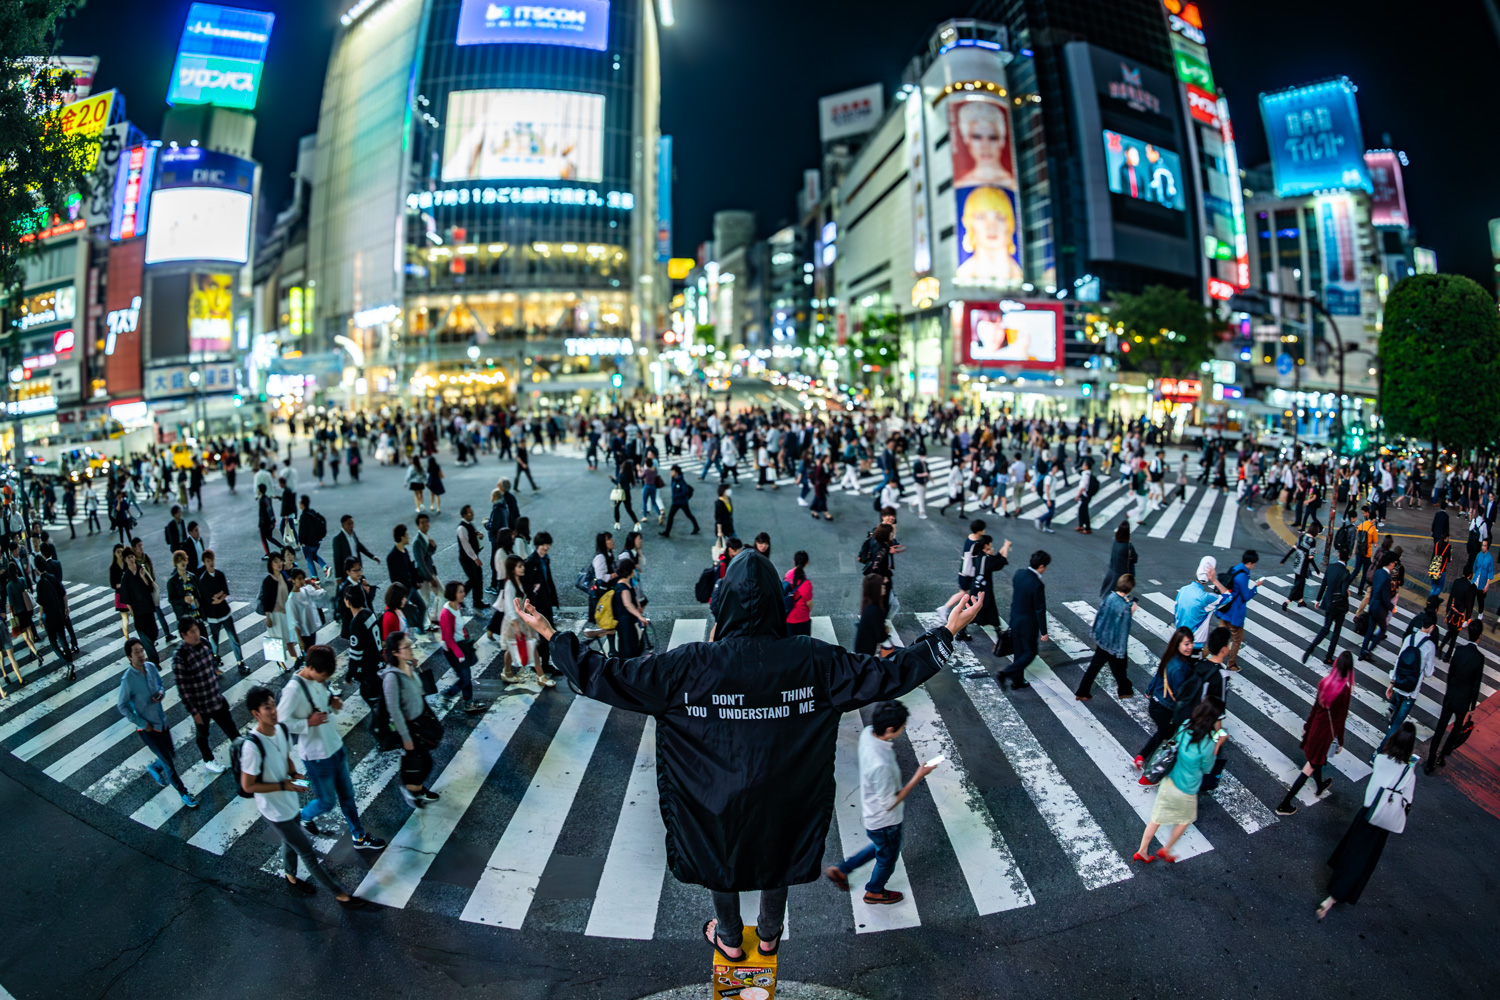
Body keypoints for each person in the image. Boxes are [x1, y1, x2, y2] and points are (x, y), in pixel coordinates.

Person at [513, 555, 980, 962]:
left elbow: (605, 676)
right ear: (778, 604)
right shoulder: (813, 660)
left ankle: (731, 940)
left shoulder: (687, 665)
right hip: (786, 797)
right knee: (778, 856)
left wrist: (552, 634)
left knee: (724, 859)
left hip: (714, 800)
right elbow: (889, 674)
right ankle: (771, 936)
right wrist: (946, 633)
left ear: (723, 605)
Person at [239, 685, 366, 908]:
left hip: (289, 802)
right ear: (255, 713)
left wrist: (297, 779)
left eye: (274, 705)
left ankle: (289, 874)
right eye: (268, 708)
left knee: (291, 840)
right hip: (274, 811)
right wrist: (284, 784)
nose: (275, 711)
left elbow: (286, 757)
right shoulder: (252, 746)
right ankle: (341, 895)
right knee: (306, 851)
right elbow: (248, 786)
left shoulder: (279, 731)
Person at [823, 699, 937, 905]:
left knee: (879, 846)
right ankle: (874, 891)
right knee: (886, 860)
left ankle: (842, 870)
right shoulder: (881, 763)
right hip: (885, 821)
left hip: (872, 814)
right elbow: (889, 803)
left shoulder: (868, 734)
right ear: (891, 729)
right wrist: (918, 775)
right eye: (902, 727)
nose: (903, 730)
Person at [278, 645, 386, 850]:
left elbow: (324, 701)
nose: (324, 680)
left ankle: (359, 836)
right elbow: (281, 723)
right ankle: (304, 816)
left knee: (348, 796)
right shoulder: (293, 690)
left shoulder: (318, 679)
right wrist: (307, 722)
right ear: (310, 667)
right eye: (323, 675)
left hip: (335, 747)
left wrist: (332, 703)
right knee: (327, 802)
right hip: (317, 757)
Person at [1318, 721, 1418, 921]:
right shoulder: (1409, 774)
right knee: (1362, 860)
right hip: (1383, 820)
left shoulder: (1380, 759)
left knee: (1351, 849)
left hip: (1365, 812)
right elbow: (1408, 801)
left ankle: (1335, 880)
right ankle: (1335, 896)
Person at [1133, 699, 1227, 864]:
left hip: (1169, 781)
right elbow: (1207, 768)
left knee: (1156, 819)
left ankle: (1142, 851)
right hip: (1187, 789)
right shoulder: (1207, 745)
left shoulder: (1185, 726)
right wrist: (1218, 744)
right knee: (1186, 820)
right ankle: (1166, 849)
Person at [116, 637, 197, 808]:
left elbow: (160, 685)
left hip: (162, 722)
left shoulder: (151, 667)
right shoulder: (128, 679)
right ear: (129, 657)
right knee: (169, 763)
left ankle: (154, 767)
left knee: (170, 755)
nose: (140, 654)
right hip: (147, 729)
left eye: (141, 650)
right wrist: (140, 722)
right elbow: (122, 706)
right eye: (136, 652)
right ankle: (184, 793)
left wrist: (161, 693)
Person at [1275, 652, 1352, 815]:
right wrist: (1341, 741)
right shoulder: (1344, 690)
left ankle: (1320, 786)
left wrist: (1307, 726)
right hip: (1325, 735)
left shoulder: (1325, 682)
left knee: (1316, 760)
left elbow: (1315, 708)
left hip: (1315, 727)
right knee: (1309, 767)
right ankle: (1284, 803)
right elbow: (1340, 720)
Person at [380, 631, 441, 809]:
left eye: (409, 644)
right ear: (395, 653)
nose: (410, 648)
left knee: (423, 761)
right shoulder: (391, 678)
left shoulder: (407, 666)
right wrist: (405, 737)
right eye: (406, 647)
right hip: (410, 728)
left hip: (420, 721)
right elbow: (394, 710)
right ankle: (410, 790)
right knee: (421, 762)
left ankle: (416, 789)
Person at [174, 617, 239, 773]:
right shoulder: (180, 656)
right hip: (200, 706)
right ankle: (208, 760)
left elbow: (211, 666)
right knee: (203, 735)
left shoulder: (204, 642)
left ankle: (243, 754)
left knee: (232, 729)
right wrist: (193, 711)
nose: (196, 634)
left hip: (215, 698)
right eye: (192, 631)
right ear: (184, 635)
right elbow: (182, 688)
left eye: (196, 629)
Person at [1427, 619, 1484, 774]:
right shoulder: (1479, 658)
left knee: (1440, 728)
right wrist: (1472, 705)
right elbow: (1476, 684)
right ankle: (1443, 755)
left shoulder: (1459, 651)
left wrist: (1450, 688)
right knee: (1456, 727)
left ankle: (1430, 761)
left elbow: (1451, 673)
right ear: (1479, 635)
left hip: (1451, 694)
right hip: (1464, 700)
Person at [1377, 613, 1436, 759]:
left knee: (1395, 717)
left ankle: (1392, 710)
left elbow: (1399, 661)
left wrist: (1392, 682)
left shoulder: (1409, 638)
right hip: (1412, 690)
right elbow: (1428, 673)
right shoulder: (1429, 645)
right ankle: (1379, 752)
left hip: (1399, 683)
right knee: (1397, 724)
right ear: (1432, 627)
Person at [1136, 627, 1197, 768]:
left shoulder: (1171, 657)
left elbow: (1159, 675)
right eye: (1186, 644)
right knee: (1164, 737)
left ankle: (1141, 757)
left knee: (1163, 732)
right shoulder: (1180, 668)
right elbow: (1180, 693)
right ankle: (1151, 768)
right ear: (1178, 645)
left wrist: (1149, 689)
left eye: (1191, 643)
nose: (1190, 647)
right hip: (1165, 708)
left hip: (1156, 702)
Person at [1077, 574, 1137, 700]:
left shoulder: (1110, 597)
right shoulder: (1125, 608)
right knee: (1118, 667)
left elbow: (1100, 616)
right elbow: (1123, 631)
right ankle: (1124, 690)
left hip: (1103, 639)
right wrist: (1131, 610)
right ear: (1130, 589)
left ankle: (1083, 692)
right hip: (1114, 644)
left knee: (1097, 667)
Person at [1000, 550, 1051, 689]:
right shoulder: (1037, 584)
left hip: (1015, 619)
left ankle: (1017, 680)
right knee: (1030, 652)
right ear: (1041, 566)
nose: (1045, 569)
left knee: (1018, 651)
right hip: (1028, 625)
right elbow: (1040, 610)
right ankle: (1006, 673)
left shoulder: (1019, 574)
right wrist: (1044, 631)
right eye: (1045, 566)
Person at [439, 580, 491, 709]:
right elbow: (447, 637)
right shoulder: (446, 613)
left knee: (466, 677)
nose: (464, 593)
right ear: (453, 593)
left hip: (461, 646)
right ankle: (448, 694)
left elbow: (460, 628)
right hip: (453, 650)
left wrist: (468, 642)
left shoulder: (457, 606)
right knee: (465, 678)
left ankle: (469, 702)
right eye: (460, 591)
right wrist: (459, 653)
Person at [1303, 548, 1353, 664]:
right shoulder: (1346, 573)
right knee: (1336, 631)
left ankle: (1311, 647)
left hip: (1329, 602)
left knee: (1325, 628)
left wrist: (1318, 600)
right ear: (1348, 558)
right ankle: (1329, 656)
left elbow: (1324, 584)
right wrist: (1348, 593)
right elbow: (1344, 592)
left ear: (1339, 555)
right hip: (1340, 606)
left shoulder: (1330, 567)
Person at [522, 531, 558, 682]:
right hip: (537, 605)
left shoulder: (545, 559)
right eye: (543, 545)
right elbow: (526, 584)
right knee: (541, 635)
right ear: (537, 545)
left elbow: (548, 579)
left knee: (547, 633)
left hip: (546, 600)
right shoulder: (530, 561)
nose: (545, 548)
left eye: (547, 545)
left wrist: (553, 598)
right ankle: (538, 664)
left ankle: (544, 663)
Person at [1215, 550, 1261, 672]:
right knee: (1236, 639)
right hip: (1234, 613)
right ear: (1250, 563)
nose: (1254, 566)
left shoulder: (1235, 568)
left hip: (1224, 609)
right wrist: (1255, 587)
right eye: (1254, 564)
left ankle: (1206, 656)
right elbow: (1245, 596)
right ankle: (1231, 664)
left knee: (1219, 636)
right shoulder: (1243, 576)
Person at [611, 556, 650, 658]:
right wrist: (640, 617)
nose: (634, 571)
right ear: (629, 571)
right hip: (625, 622)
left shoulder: (625, 584)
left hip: (627, 621)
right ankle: (629, 669)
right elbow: (627, 604)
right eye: (633, 569)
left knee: (630, 645)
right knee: (629, 647)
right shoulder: (623, 587)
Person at [261, 552, 292, 673]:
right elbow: (266, 600)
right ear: (270, 564)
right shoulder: (268, 581)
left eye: (280, 561)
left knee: (287, 638)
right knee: (276, 640)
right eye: (275, 562)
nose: (279, 564)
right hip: (274, 614)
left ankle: (292, 659)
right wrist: (267, 617)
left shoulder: (283, 577)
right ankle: (280, 663)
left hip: (285, 613)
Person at [1279, 524, 1321, 609]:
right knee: (1298, 585)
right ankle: (1287, 601)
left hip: (1297, 564)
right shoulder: (1312, 541)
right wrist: (1317, 569)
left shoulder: (1301, 537)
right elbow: (1311, 558)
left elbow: (1293, 549)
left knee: (1300, 584)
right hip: (1303, 567)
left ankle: (1301, 601)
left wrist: (1284, 559)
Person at [455, 505, 486, 613]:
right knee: (473, 579)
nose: (472, 515)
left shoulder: (469, 525)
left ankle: (477, 600)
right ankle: (458, 598)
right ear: (464, 515)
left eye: (472, 512)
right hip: (466, 558)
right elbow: (466, 545)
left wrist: (479, 534)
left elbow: (474, 532)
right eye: (470, 513)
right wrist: (475, 558)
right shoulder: (461, 528)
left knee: (478, 578)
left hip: (473, 556)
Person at [1100, 520, 1137, 598]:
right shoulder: (1128, 546)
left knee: (1109, 590)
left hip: (1112, 569)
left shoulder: (1115, 541)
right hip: (1122, 572)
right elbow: (1135, 559)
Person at [784, 550, 813, 636]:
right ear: (807, 563)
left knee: (790, 645)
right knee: (804, 646)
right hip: (802, 619)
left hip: (788, 617)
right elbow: (809, 603)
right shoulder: (806, 583)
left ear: (794, 561)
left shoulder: (788, 574)